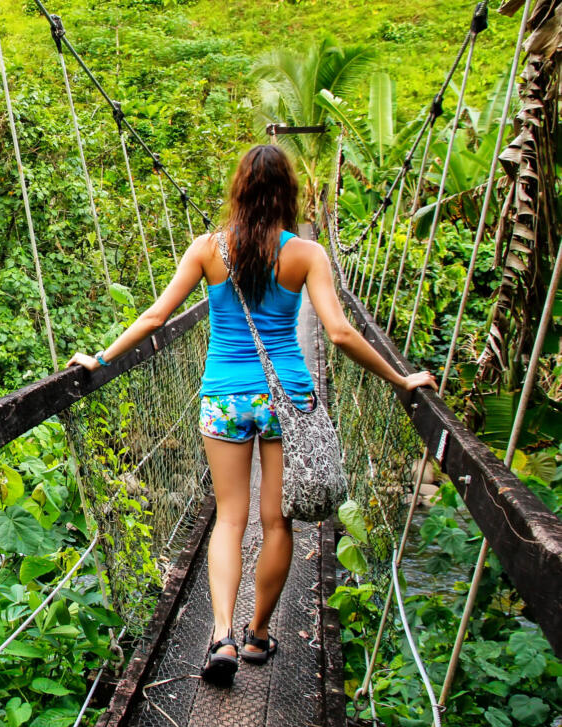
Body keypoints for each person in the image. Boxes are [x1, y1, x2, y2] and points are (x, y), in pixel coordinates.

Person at [67, 144, 435, 687]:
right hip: (288, 398)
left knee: (229, 519)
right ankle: (260, 634)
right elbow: (338, 332)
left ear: (238, 189)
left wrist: (100, 358)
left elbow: (154, 316)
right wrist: (401, 379)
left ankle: (221, 638)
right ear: (289, 192)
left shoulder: (208, 248)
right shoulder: (307, 254)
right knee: (275, 521)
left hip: (225, 399)